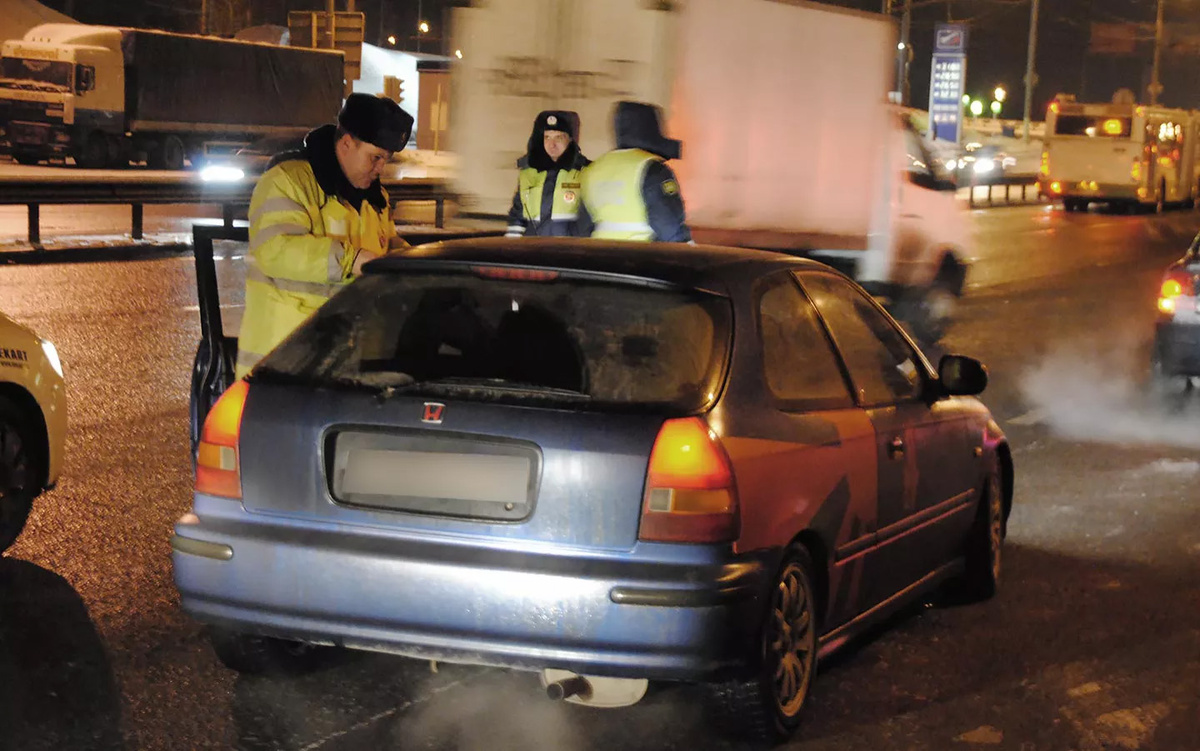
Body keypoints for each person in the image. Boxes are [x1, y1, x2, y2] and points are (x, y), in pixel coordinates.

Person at [235, 93, 414, 378]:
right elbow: (276, 250)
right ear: (346, 144)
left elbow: (386, 245)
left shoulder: (374, 197)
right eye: (375, 157)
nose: (381, 168)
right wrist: (351, 260)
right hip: (283, 366)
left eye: (386, 159)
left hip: (345, 365)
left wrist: (413, 260)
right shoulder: (287, 181)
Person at [580, 101, 690, 243]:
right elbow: (668, 225)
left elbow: (582, 227)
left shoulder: (593, 170)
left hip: (600, 258)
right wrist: (688, 254)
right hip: (640, 258)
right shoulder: (652, 169)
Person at [505, 110, 592, 237]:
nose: (552, 144)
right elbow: (517, 217)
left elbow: (590, 220)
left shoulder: (585, 172)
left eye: (559, 137)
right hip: (533, 252)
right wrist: (512, 250)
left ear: (571, 139)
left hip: (569, 252)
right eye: (547, 137)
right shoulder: (528, 173)